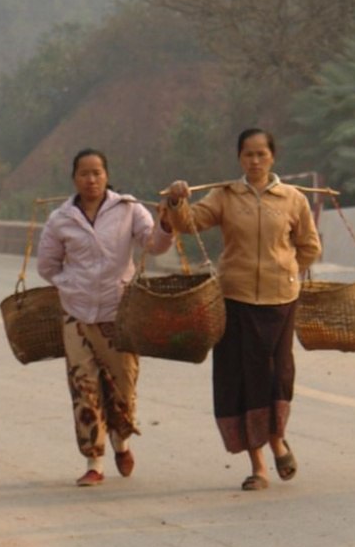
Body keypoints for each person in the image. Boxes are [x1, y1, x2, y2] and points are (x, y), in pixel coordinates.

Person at [161, 127, 321, 491]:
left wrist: (289, 270)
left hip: (281, 301)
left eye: (261, 154)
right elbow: (187, 224)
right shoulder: (225, 196)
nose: (255, 160)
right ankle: (259, 465)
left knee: (277, 375)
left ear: (272, 157)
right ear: (239, 158)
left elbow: (309, 245)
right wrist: (176, 200)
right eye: (248, 154)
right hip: (235, 299)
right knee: (243, 380)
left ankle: (278, 438)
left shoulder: (293, 199)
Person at [37, 148, 173, 487]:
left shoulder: (128, 210)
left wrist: (168, 220)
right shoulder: (61, 219)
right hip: (77, 316)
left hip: (119, 314)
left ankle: (121, 442)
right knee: (85, 388)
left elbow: (154, 244)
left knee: (123, 387)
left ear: (107, 175)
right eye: (84, 173)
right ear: (74, 178)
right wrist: (71, 285)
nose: (91, 179)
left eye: (97, 172)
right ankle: (93, 461)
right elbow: (47, 265)